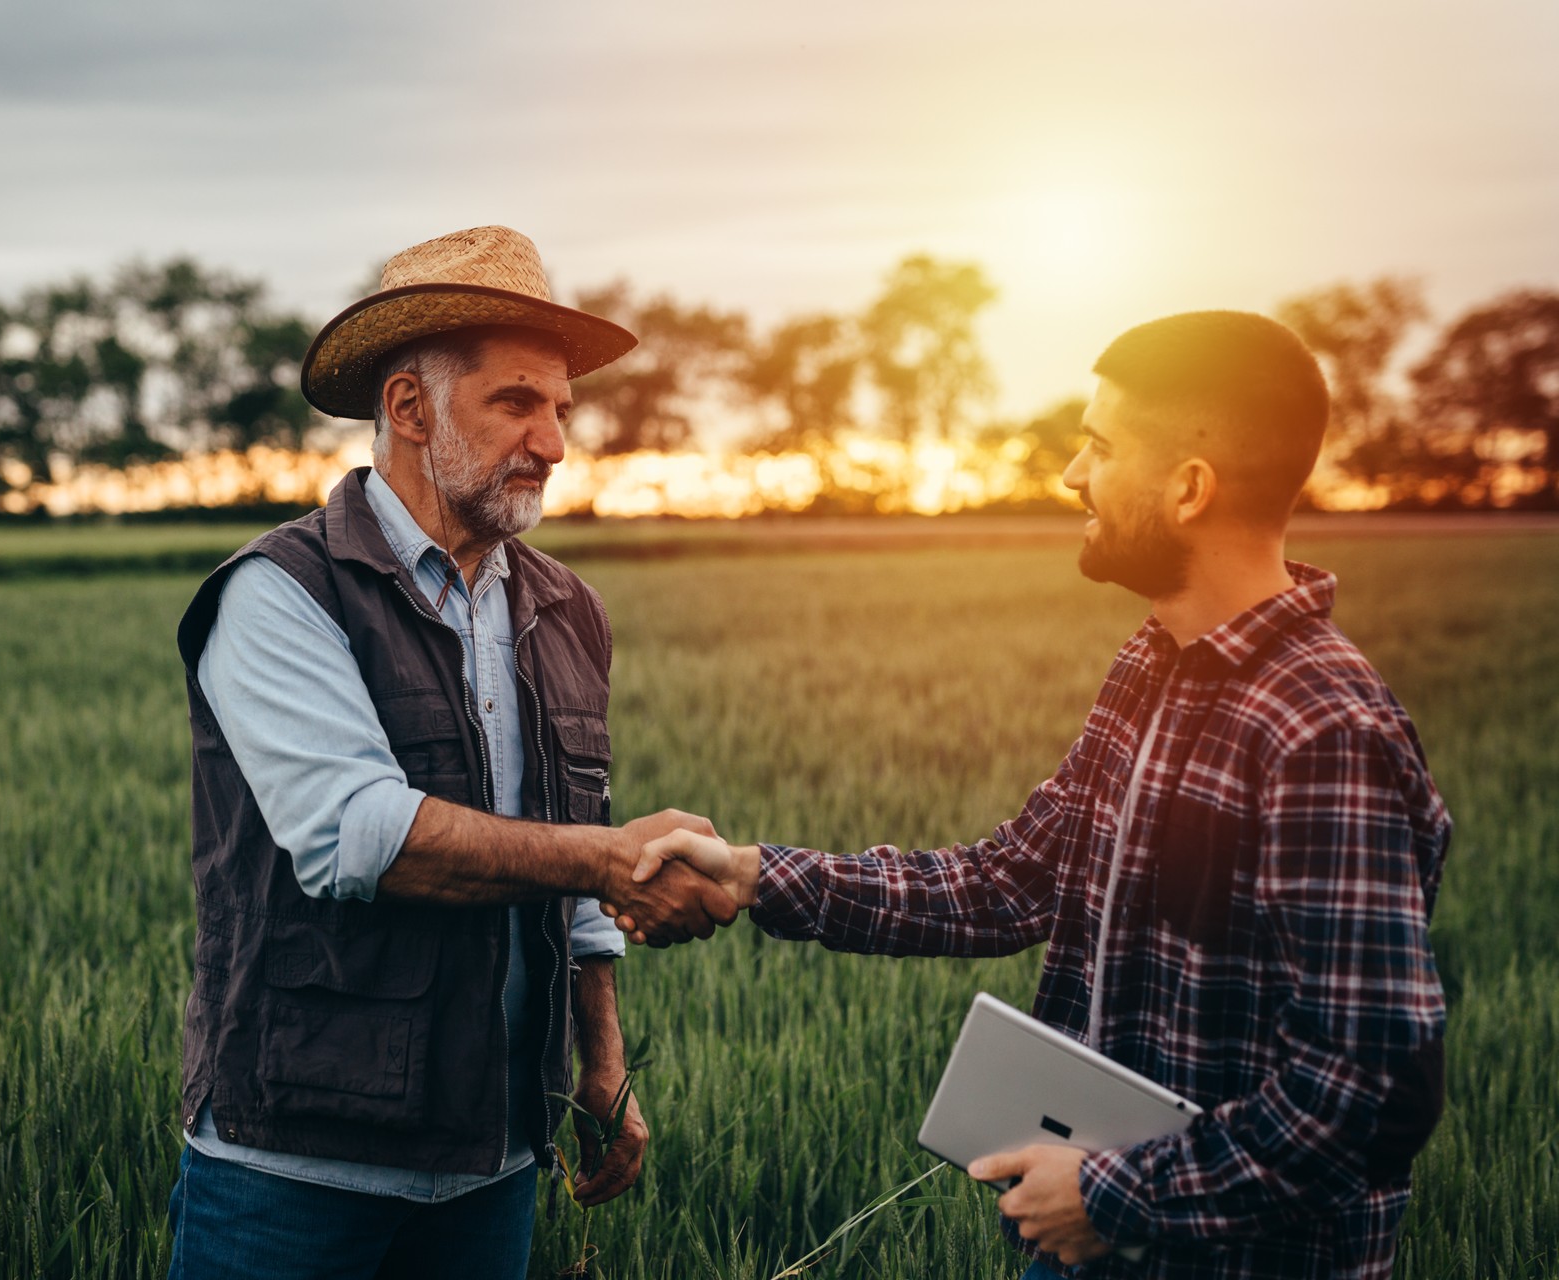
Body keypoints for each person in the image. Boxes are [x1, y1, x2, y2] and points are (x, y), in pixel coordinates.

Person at [619, 312, 1451, 1279]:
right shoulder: (1154, 667)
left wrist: (1114, 1196)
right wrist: (756, 874)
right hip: (1098, 1242)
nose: (1072, 475)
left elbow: (1368, 1083)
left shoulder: (1322, 729)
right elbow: (1014, 880)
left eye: (1100, 445)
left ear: (1188, 488)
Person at [165, 226, 736, 1280]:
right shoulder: (281, 593)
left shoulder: (568, 609)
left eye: (562, 407)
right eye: (516, 401)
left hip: (494, 1160)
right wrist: (612, 857)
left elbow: (569, 849)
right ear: (411, 410)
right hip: (297, 1162)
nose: (555, 441)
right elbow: (360, 837)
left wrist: (600, 1056)